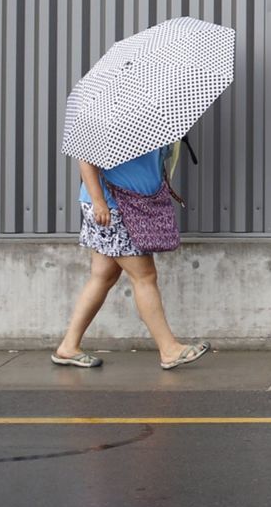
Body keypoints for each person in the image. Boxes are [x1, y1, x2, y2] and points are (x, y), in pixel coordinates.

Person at [52, 146, 210, 370]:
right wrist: (98, 201)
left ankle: (68, 347)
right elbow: (85, 157)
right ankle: (169, 350)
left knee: (103, 276)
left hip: (130, 203)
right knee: (145, 276)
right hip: (114, 206)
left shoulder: (150, 125)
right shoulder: (105, 123)